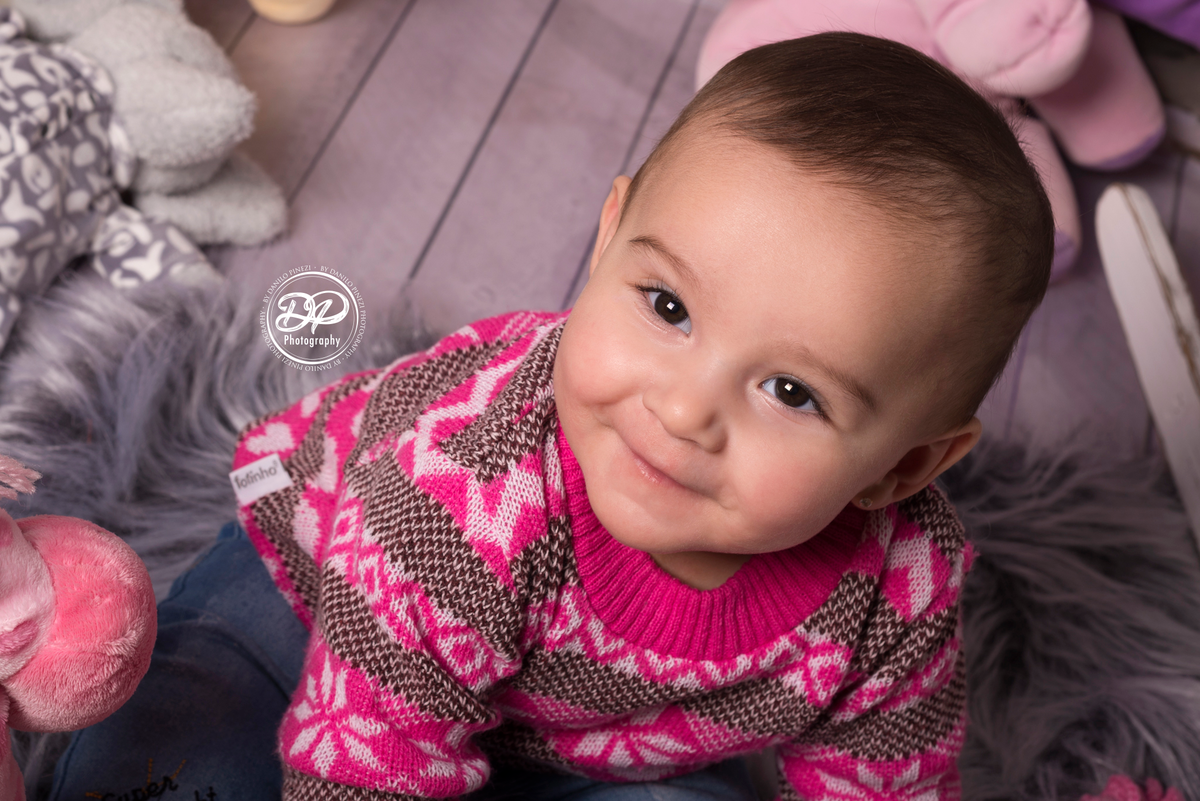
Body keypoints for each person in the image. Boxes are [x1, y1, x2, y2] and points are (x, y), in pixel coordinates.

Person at [50, 31, 1053, 801]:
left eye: (791, 392)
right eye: (667, 308)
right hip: (319, 609)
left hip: (594, 742)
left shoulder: (898, 586)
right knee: (176, 750)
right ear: (608, 238)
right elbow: (370, 760)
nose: (684, 408)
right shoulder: (457, 492)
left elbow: (886, 777)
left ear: (905, 467)